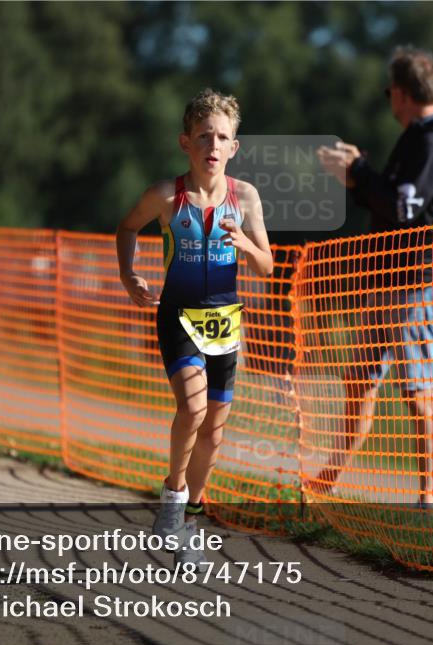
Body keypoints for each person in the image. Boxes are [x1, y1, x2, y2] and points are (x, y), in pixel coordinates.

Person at [116, 89, 273, 567]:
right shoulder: (166, 196)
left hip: (226, 319)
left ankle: (189, 522)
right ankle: (172, 498)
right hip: (179, 314)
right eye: (204, 135)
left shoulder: (245, 197)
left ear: (234, 148)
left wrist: (246, 244)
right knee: (192, 406)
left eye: (222, 137)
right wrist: (130, 275)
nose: (213, 144)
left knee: (214, 433)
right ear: (185, 142)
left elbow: (267, 265)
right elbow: (127, 229)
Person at [315, 47, 433, 508]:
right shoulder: (418, 138)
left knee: (417, 390)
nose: (389, 100)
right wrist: (355, 180)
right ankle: (329, 480)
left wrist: (359, 170)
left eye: (390, 92)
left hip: (419, 281)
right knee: (359, 378)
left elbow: (405, 207)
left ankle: (429, 501)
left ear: (401, 94)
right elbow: (394, 204)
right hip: (391, 279)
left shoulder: (432, 143)